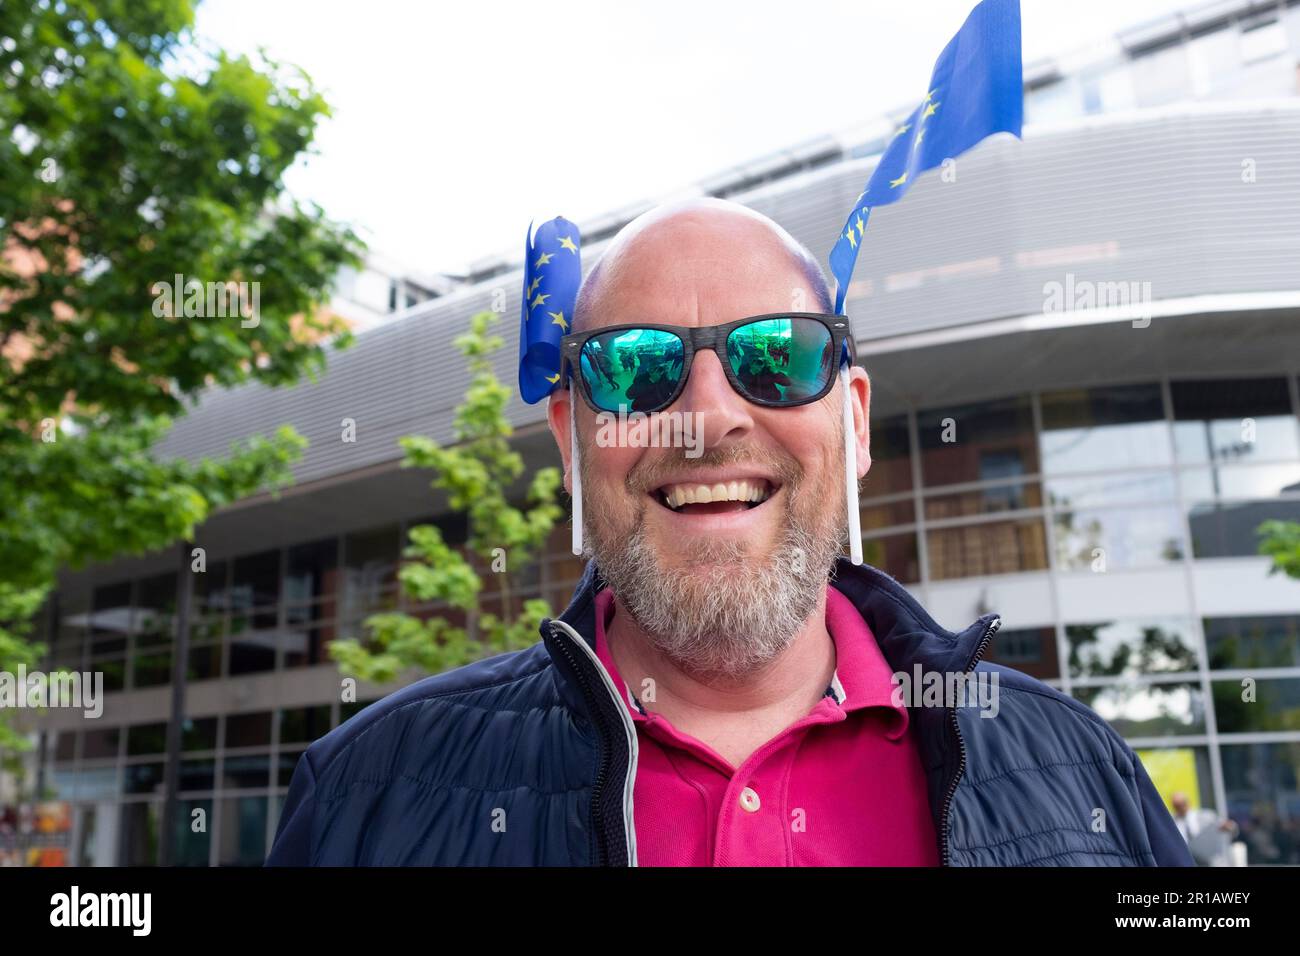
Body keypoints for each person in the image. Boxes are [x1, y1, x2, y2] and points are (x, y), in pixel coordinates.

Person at [267, 198, 1192, 867]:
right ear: (571, 443)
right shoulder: (365, 797)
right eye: (636, 369)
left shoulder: (1084, 772)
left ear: (855, 423)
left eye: (777, 357)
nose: (707, 419)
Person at [1170, 791, 1239, 866]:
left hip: (1213, 861)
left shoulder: (1205, 816)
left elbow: (1231, 828)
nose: (1181, 808)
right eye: (1177, 806)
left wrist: (1229, 826)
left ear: (1188, 802)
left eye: (1182, 804)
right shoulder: (1173, 823)